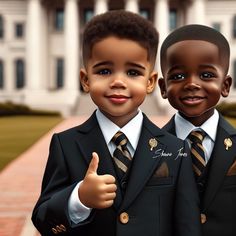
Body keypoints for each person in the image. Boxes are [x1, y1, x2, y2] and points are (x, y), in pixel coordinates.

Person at [32, 11, 201, 236]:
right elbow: (43, 220)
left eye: (132, 72)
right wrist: (78, 199)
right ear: (85, 80)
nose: (118, 82)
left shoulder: (175, 148)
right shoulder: (66, 144)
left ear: (150, 82)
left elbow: (187, 225)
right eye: (104, 71)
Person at [158, 24, 236, 236]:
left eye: (207, 75)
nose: (192, 84)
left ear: (225, 85)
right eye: (178, 77)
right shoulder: (148, 148)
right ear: (163, 87)